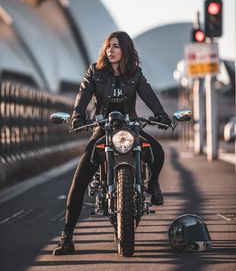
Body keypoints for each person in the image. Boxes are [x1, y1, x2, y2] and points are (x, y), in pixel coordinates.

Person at [52, 31, 171, 255]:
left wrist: (161, 114)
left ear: (125, 50)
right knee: (78, 182)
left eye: (116, 46)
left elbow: (147, 93)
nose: (111, 50)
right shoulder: (95, 72)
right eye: (108, 46)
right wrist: (77, 115)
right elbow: (83, 93)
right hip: (103, 129)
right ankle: (66, 237)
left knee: (157, 151)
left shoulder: (135, 73)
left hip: (131, 128)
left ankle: (153, 183)